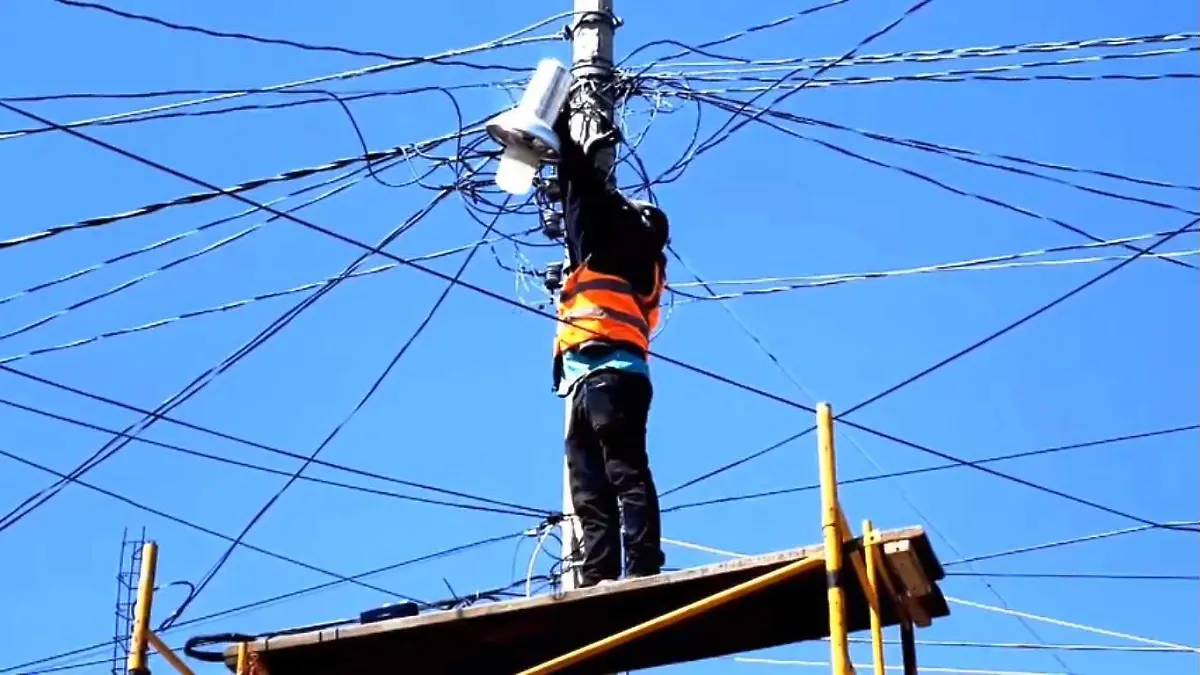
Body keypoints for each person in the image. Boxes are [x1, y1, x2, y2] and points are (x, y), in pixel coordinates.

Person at [549, 108, 669, 588]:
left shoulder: (618, 250)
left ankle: (634, 568)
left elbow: (582, 195)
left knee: (611, 477)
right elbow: (583, 199)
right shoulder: (640, 263)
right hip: (595, 379)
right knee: (598, 484)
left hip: (607, 375)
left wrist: (563, 132)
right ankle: (609, 572)